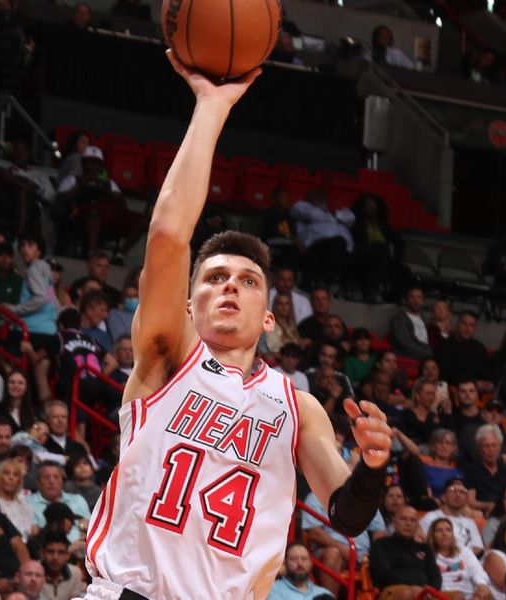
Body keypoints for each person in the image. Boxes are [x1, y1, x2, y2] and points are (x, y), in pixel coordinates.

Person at [77, 51, 391, 600]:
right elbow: (170, 237)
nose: (229, 286)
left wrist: (372, 465)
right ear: (189, 306)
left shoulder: (298, 406)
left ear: (270, 317)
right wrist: (212, 105)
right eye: (214, 278)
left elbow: (346, 513)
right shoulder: (169, 356)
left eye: (248, 282)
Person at [8, 233, 58, 404]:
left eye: (30, 245)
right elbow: (54, 303)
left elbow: (40, 298)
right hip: (50, 333)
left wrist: (14, 310)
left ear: (39, 250)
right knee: (41, 378)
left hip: (32, 331)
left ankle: (17, 405)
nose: (24, 249)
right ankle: (46, 413)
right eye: (22, 245)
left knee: (2, 357)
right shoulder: (48, 272)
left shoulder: (33, 270)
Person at [0, 140, 54, 237]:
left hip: (31, 207)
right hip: (5, 204)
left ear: (29, 155)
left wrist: (29, 191)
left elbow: (49, 199)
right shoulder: (3, 171)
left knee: (22, 191)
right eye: (16, 151)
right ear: (11, 154)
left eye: (23, 151)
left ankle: (18, 237)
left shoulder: (39, 175)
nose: (20, 154)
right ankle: (26, 187)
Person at [369, 505, 441, 599]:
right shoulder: (380, 545)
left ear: (417, 525)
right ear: (394, 522)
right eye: (403, 519)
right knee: (407, 593)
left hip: (424, 592)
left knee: (458, 596)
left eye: (413, 520)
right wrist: (414, 587)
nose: (408, 523)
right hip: (392, 590)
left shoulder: (425, 549)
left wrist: (430, 590)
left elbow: (435, 576)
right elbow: (384, 574)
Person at [427, 517, 492, 600]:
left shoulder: (464, 551)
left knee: (486, 594)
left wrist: (481, 584)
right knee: (458, 596)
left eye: (448, 530)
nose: (444, 533)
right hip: (442, 596)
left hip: (469, 595)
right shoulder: (428, 555)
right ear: (432, 535)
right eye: (439, 530)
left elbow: (476, 570)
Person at [418, 477, 484, 556]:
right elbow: (424, 543)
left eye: (462, 492)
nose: (457, 494)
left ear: (466, 498)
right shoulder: (430, 517)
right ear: (443, 496)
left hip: (469, 563)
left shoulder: (470, 522)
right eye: (452, 490)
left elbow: (478, 548)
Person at [26, 462, 90, 543]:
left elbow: (91, 528)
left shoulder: (78, 501)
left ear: (62, 481)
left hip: (81, 548)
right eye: (46, 477)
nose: (52, 481)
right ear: (38, 483)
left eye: (56, 477)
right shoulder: (27, 503)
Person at [436, 311, 493, 392]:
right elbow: (446, 375)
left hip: (476, 394)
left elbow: (486, 374)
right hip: (453, 391)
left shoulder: (480, 348)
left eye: (471, 325)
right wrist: (474, 383)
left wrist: (489, 384)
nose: (467, 328)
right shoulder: (445, 346)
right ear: (457, 324)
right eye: (464, 324)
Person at [267, 541, 333, 599]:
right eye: (293, 559)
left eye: (304, 559)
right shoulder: (273, 589)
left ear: (310, 563)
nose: (300, 563)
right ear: (285, 563)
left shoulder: (325, 594)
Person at [0, 458, 34, 542]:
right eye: (6, 473)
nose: (11, 477)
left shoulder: (24, 505)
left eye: (15, 475)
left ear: (19, 480)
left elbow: (28, 532)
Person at [389, 287, 433, 361]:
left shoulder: (425, 321)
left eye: (419, 297)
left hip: (425, 360)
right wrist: (430, 354)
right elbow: (405, 343)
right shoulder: (399, 319)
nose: (416, 301)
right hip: (407, 360)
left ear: (423, 301)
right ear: (406, 300)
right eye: (412, 297)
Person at [258, 292, 300, 361]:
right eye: (280, 304)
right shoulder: (270, 325)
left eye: (287, 304)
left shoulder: (292, 327)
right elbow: (271, 350)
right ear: (275, 306)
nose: (284, 307)